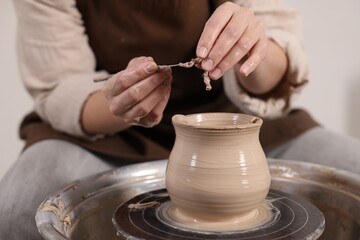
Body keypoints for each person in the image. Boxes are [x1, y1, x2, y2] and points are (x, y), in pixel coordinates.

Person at [1, 0, 359, 239]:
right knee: (17, 209)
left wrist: (254, 52)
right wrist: (119, 102)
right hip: (108, 126)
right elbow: (59, 85)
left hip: (241, 122)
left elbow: (279, 61)